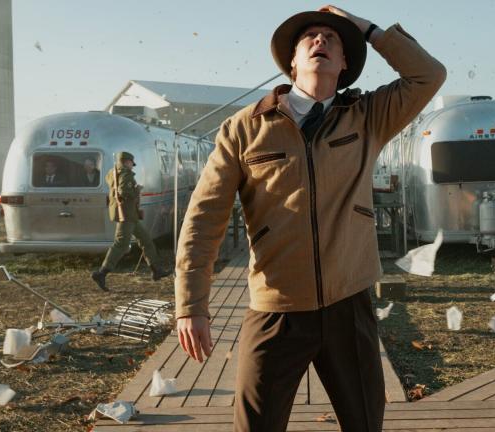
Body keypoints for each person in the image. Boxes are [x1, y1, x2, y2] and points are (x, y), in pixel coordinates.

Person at [175, 5, 446, 431]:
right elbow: (204, 218)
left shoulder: (368, 117)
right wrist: (191, 306)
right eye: (311, 37)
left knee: (365, 424)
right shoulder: (244, 129)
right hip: (275, 309)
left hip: (348, 305)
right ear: (292, 61)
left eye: (332, 38)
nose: (321, 40)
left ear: (344, 64)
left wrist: (366, 29)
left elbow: (428, 75)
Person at [91, 152, 172, 290]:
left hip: (129, 214)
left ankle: (156, 270)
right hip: (127, 215)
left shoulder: (112, 172)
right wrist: (137, 190)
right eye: (131, 163)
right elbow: (123, 191)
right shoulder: (125, 173)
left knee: (146, 240)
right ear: (126, 161)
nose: (132, 166)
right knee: (121, 244)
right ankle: (101, 273)